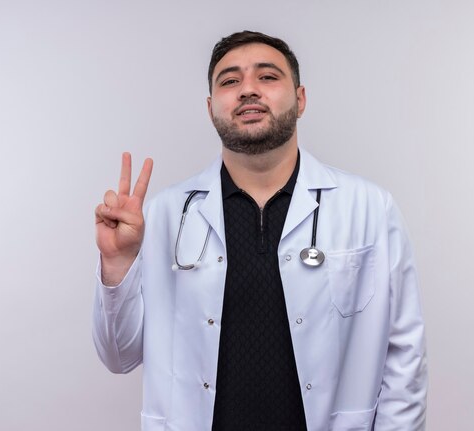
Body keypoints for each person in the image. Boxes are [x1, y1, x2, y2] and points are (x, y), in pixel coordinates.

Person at [93, 30, 427, 431]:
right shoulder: (166, 214)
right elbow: (119, 356)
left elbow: (404, 356)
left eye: (267, 77)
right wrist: (117, 264)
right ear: (211, 107)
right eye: (230, 81)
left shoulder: (369, 208)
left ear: (300, 99)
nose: (248, 89)